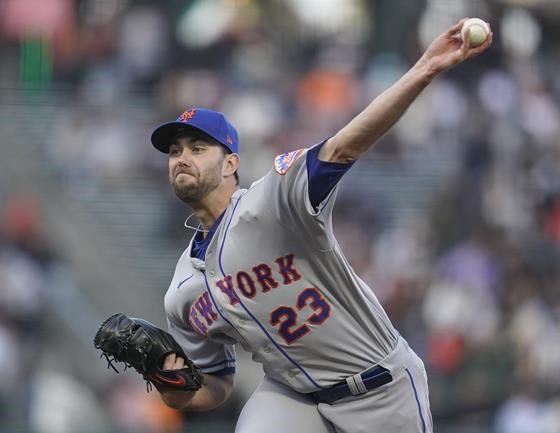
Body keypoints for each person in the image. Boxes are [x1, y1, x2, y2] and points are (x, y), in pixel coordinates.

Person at [150, 18, 492, 433]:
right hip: (293, 396)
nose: (182, 157)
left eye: (198, 147)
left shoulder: (271, 202)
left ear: (231, 163)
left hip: (379, 386)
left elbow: (345, 145)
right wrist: (167, 381)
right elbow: (215, 384)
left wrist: (425, 69)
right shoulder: (183, 290)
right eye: (174, 150)